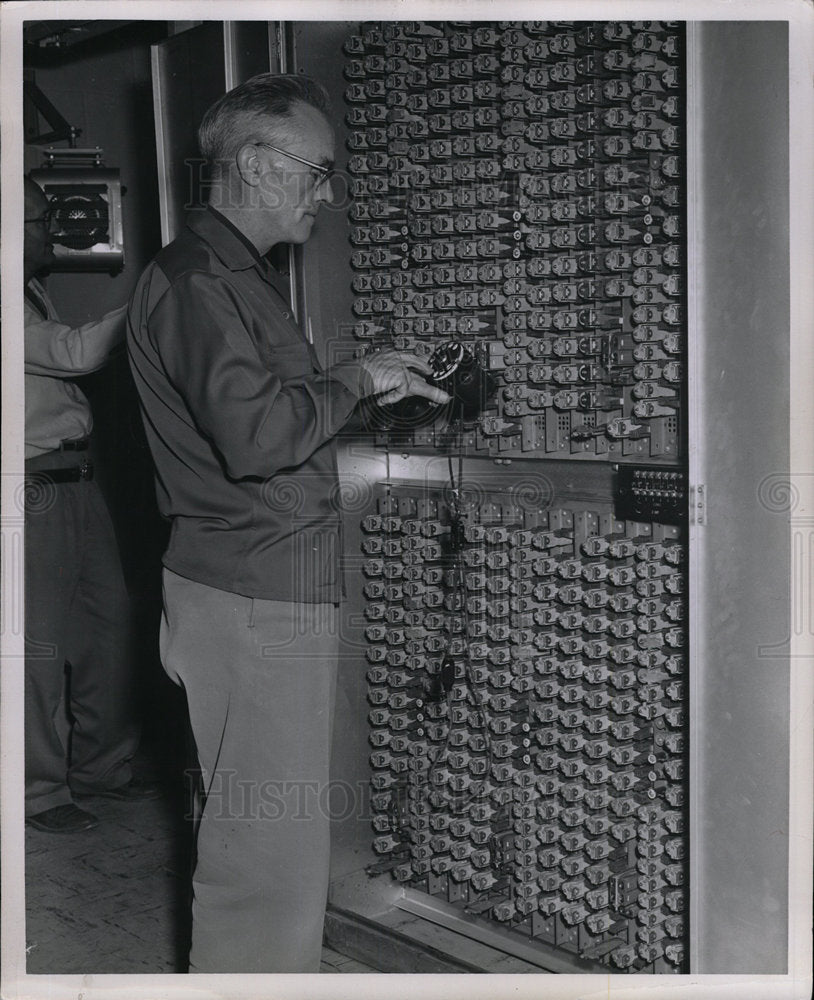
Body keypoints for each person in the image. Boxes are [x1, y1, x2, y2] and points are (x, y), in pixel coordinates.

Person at [126, 73, 448, 973]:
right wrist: (361, 374)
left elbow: (269, 417)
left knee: (278, 851)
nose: (328, 192)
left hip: (265, 588)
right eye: (319, 170)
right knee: (262, 866)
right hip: (251, 595)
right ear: (262, 166)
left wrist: (379, 398)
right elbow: (257, 435)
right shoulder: (197, 283)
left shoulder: (237, 278)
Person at [23, 176, 158, 834]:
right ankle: (38, 794)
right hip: (30, 486)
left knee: (113, 627)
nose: (49, 226)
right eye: (35, 217)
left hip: (76, 479)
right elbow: (72, 354)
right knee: (38, 650)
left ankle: (100, 769)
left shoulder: (29, 287)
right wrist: (152, 304)